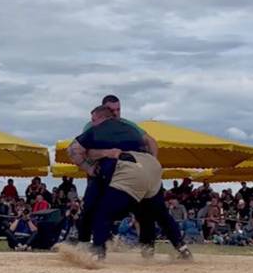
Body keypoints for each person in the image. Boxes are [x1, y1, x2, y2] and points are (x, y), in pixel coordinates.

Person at [70, 105, 190, 260]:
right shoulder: (131, 127)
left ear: (101, 117)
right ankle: (179, 250)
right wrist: (152, 161)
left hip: (127, 169)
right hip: (150, 166)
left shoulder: (96, 129)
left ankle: (97, 252)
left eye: (93, 119)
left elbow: (73, 150)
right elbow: (151, 141)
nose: (92, 122)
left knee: (102, 212)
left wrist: (89, 168)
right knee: (156, 213)